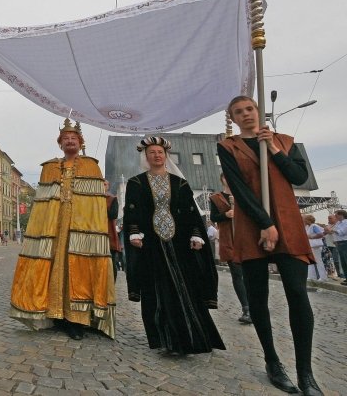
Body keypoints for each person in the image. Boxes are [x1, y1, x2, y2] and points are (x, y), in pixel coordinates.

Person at [218, 95, 322, 396]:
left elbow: (299, 176)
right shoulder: (228, 147)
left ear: (258, 111)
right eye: (238, 112)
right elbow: (238, 187)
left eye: (249, 109)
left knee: (297, 294)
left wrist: (274, 149)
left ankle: (306, 373)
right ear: (233, 119)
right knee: (258, 296)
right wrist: (265, 223)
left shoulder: (286, 141)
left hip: (288, 222)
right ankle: (273, 362)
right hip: (252, 224)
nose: (246, 114)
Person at [10, 119, 116, 341]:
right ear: (60, 143)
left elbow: (97, 205)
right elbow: (41, 204)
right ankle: (55, 314)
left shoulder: (91, 166)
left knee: (78, 268)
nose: (70, 141)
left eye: (74, 138)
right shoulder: (49, 168)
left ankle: (76, 318)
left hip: (81, 229)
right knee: (54, 267)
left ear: (80, 142)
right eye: (65, 138)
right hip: (54, 228)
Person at [124, 136, 224, 355]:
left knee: (186, 286)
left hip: (179, 244)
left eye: (160, 152)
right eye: (152, 153)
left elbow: (192, 214)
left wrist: (197, 235)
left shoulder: (180, 183)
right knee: (158, 290)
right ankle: (167, 340)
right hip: (151, 244)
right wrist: (134, 233)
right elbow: (131, 212)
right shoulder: (136, 183)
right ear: (146, 157)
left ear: (166, 155)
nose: (157, 155)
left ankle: (194, 336)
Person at [210, 174, 252, 324]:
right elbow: (214, 217)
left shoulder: (244, 193)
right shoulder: (215, 197)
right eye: (226, 176)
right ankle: (246, 308)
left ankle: (255, 306)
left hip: (246, 238)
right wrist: (225, 215)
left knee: (249, 274)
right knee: (237, 273)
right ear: (222, 179)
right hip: (228, 239)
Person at [105, 180, 121, 281]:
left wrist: (101, 204)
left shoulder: (112, 199)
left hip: (109, 235)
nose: (102, 186)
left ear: (108, 186)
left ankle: (111, 286)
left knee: (111, 263)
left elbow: (113, 215)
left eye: (105, 184)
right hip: (96, 236)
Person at [327, 209, 347, 286]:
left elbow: (342, 232)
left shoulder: (346, 222)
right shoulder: (338, 223)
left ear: (341, 215)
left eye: (336, 215)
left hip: (345, 242)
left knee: (346, 260)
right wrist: (333, 231)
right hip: (339, 243)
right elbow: (334, 232)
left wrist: (333, 230)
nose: (335, 216)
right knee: (343, 262)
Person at [304, 215, 327, 282]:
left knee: (318, 261)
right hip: (311, 245)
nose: (304, 221)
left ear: (308, 220)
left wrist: (311, 237)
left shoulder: (314, 226)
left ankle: (323, 277)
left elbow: (320, 234)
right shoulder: (308, 226)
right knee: (311, 261)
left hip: (315, 245)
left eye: (305, 219)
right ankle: (311, 276)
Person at [323, 214, 341, 279]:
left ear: (335, 218)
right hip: (329, 245)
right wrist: (326, 230)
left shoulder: (337, 225)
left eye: (330, 218)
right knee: (333, 261)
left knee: (337, 260)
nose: (328, 220)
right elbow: (324, 233)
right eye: (328, 218)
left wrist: (327, 230)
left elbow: (331, 232)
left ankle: (340, 275)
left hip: (335, 245)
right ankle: (338, 274)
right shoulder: (328, 226)